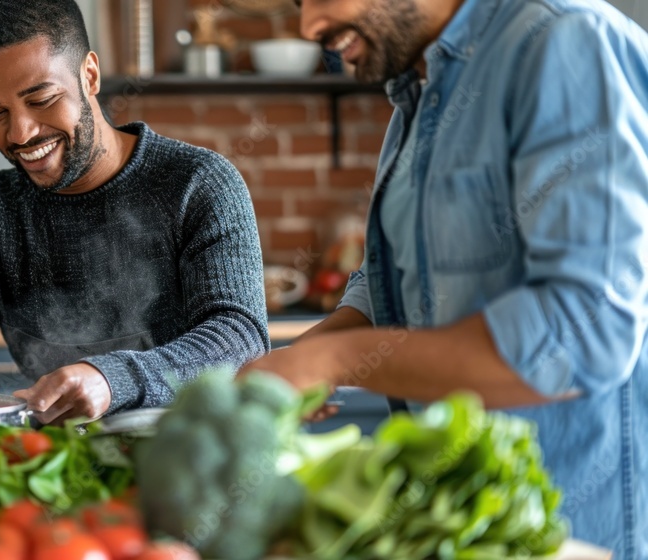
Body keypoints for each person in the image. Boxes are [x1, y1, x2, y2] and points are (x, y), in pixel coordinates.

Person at [245, 0, 648, 557]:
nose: (309, 26)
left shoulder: (565, 40)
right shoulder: (419, 89)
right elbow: (394, 272)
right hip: (465, 526)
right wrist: (305, 358)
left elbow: (585, 333)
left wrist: (330, 361)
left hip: (578, 531)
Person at [0, 0, 269, 425]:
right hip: (56, 467)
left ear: (90, 75)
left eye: (41, 99)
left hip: (192, 456)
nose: (20, 132)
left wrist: (110, 379)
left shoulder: (198, 184)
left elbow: (240, 338)